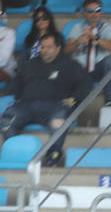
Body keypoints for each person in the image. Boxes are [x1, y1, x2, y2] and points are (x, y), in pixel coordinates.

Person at [0, 29, 90, 166]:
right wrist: (19, 98)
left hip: (54, 107)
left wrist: (73, 100)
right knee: (6, 121)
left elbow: (86, 85)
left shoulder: (70, 65)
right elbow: (17, 83)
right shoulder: (29, 64)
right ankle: (20, 152)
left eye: (49, 47)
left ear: (58, 48)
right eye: (42, 47)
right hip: (26, 106)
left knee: (59, 121)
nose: (45, 50)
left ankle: (53, 155)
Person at [63, 0, 111, 106]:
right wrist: (78, 41)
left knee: (110, 61)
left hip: (98, 69)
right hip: (81, 68)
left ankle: (109, 100)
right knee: (71, 66)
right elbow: (66, 50)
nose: (94, 14)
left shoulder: (107, 28)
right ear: (84, 13)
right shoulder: (77, 27)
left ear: (102, 11)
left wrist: (95, 38)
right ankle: (69, 105)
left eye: (97, 10)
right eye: (90, 11)